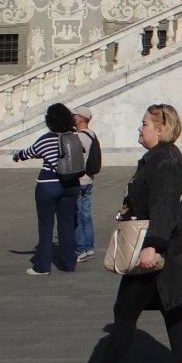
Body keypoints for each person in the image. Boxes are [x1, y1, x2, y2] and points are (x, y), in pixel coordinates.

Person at [59, 104, 182, 363]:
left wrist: (153, 245)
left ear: (161, 128)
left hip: (156, 249)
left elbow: (165, 206)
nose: (140, 128)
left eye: (145, 124)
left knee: (125, 312)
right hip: (163, 248)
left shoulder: (165, 160)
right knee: (171, 309)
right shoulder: (159, 157)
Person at [12, 103, 82, 275]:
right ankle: (68, 264)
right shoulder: (74, 137)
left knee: (45, 226)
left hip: (49, 184)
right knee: (67, 224)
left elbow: (29, 152)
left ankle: (42, 266)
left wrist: (17, 156)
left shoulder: (46, 139)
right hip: (71, 184)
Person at [74, 106, 99, 261]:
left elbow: (77, 160)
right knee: (86, 215)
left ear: (82, 118)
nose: (72, 118)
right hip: (88, 179)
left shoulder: (80, 137)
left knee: (76, 215)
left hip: (79, 180)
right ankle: (89, 247)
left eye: (75, 116)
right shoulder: (92, 134)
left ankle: (80, 248)